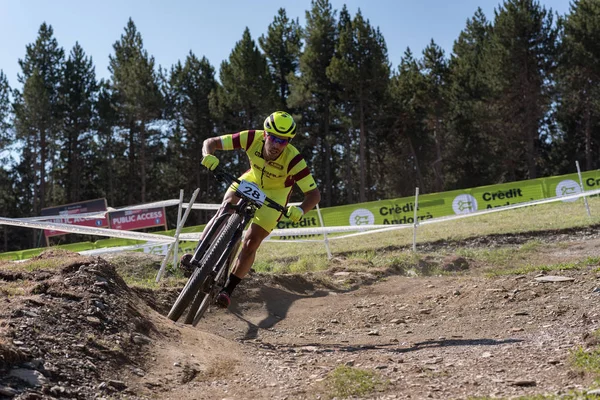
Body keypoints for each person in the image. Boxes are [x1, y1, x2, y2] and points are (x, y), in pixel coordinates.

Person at [183, 111, 321, 308]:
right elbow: (211, 142)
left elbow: (314, 194)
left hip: (276, 195)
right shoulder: (251, 138)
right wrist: (208, 156)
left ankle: (227, 290)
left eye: (283, 141)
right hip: (252, 181)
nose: (276, 145)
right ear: (265, 134)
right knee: (226, 209)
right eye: (272, 138)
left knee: (251, 241)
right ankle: (197, 256)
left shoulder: (294, 160)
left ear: (289, 142)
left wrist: (301, 209)